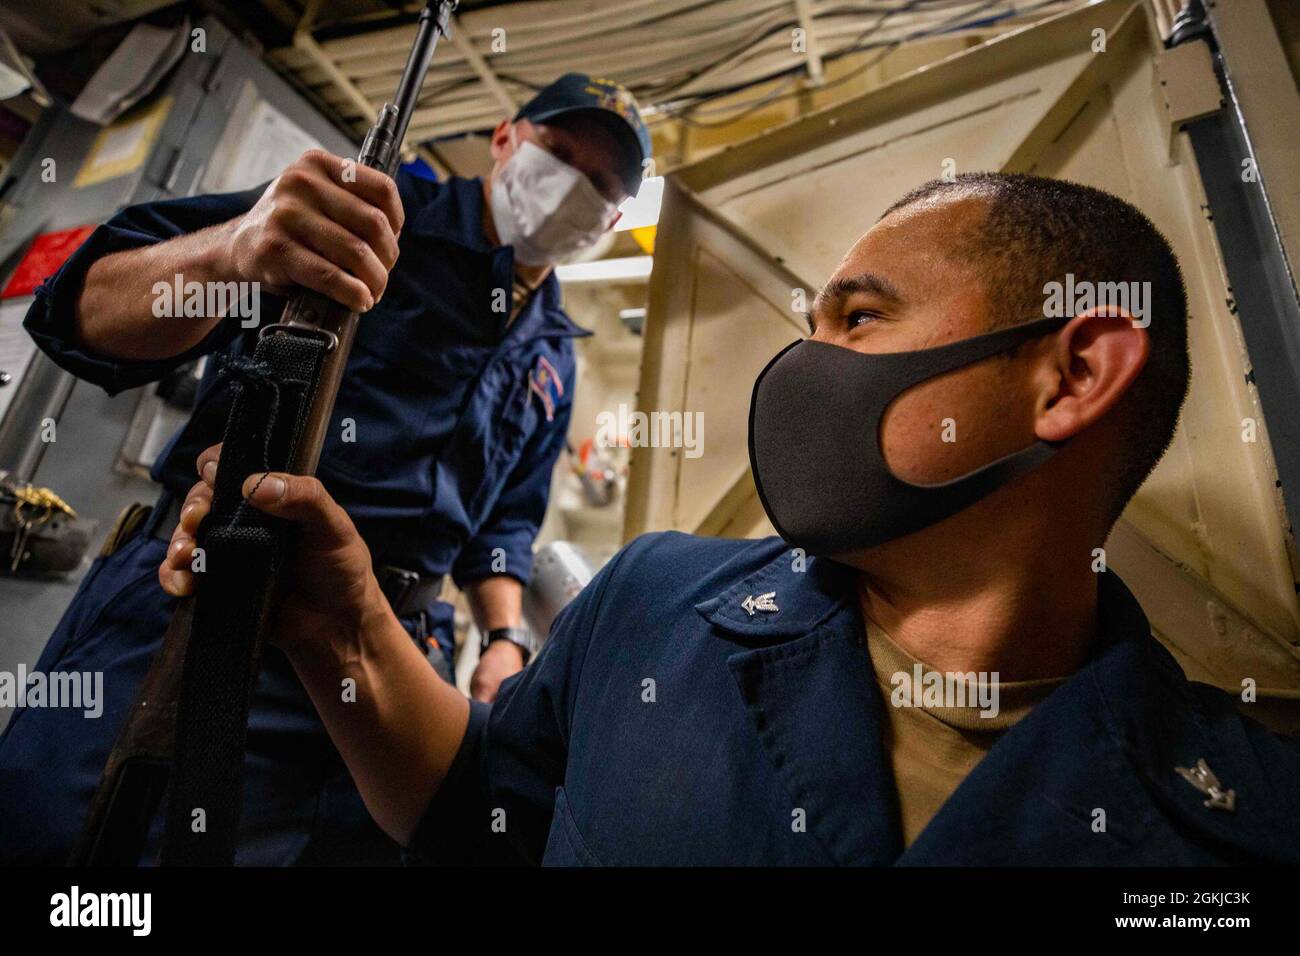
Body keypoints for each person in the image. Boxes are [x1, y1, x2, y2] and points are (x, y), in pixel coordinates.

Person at [157, 172, 1300, 865]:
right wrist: (339, 626)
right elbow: (478, 825)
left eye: (858, 318)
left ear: (1071, 375)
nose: (804, 364)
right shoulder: (655, 602)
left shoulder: (1251, 817)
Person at [0, 73, 651, 865]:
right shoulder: (363, 212)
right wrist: (231, 253)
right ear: (506, 138)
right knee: (79, 860)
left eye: (601, 187)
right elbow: (79, 309)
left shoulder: (555, 354)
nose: (571, 192)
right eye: (559, 153)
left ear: (615, 220)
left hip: (392, 680)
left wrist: (505, 636)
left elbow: (505, 525)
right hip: (217, 610)